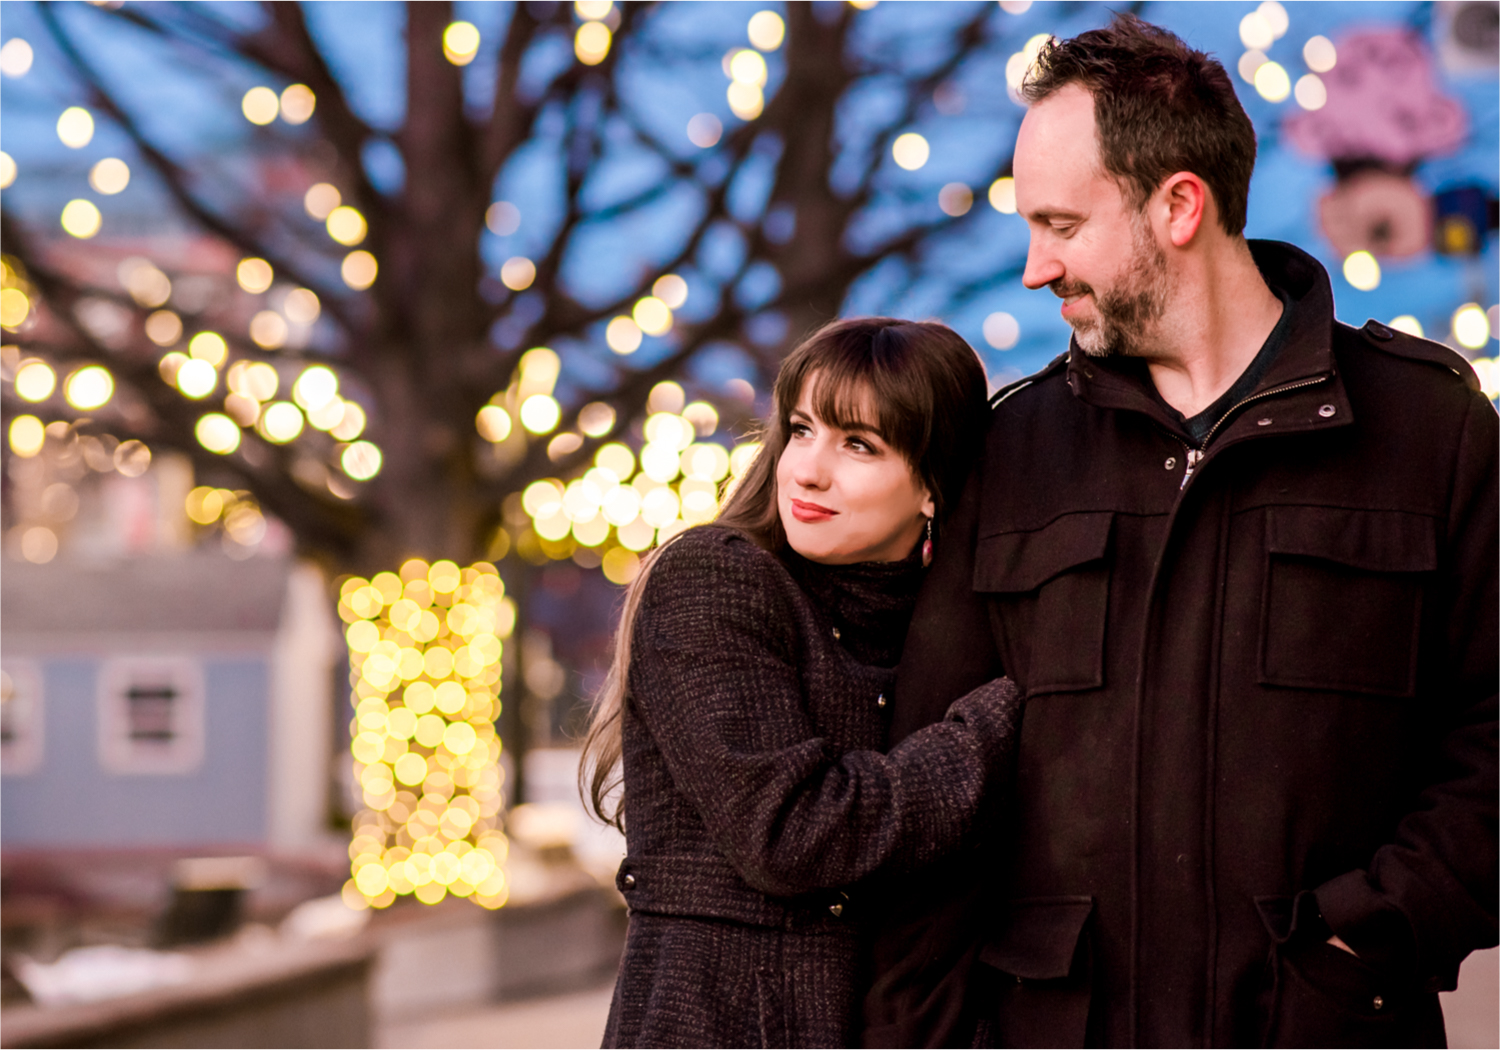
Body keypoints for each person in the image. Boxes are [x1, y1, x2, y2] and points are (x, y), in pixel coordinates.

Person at [866, 15, 1498, 1049]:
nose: (1034, 268)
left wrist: (1370, 939)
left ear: (1178, 206)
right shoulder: (1011, 453)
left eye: (1061, 225)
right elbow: (928, 797)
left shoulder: (1431, 433)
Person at [583, 317, 1023, 1048]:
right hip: (718, 1025)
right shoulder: (714, 579)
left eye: (859, 444)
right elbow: (791, 834)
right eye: (801, 429)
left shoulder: (945, 624)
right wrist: (1006, 721)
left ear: (933, 486)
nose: (808, 470)